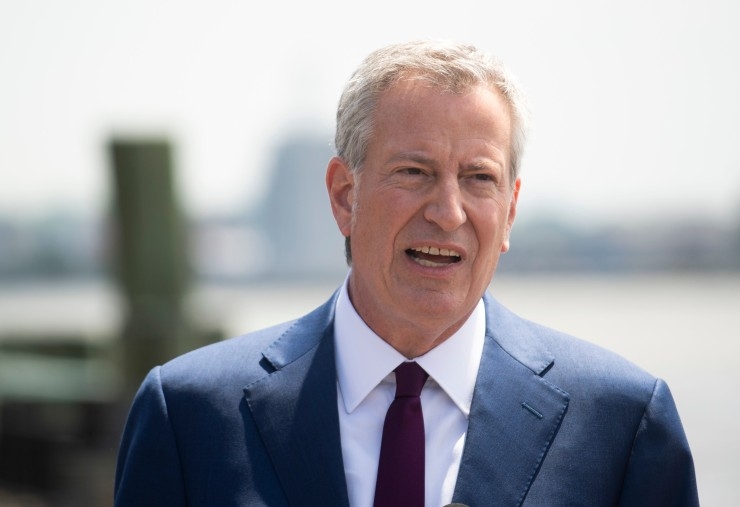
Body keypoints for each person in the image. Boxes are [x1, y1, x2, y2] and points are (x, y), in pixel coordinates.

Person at [114, 40, 699, 506]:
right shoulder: (189, 416)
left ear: (511, 210)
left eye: (479, 179)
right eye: (415, 172)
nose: (448, 212)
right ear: (345, 195)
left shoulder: (622, 423)